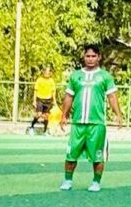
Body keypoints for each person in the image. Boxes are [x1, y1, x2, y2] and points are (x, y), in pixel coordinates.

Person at [60, 44, 122, 192]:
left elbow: (112, 96)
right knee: (71, 154)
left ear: (99, 57)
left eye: (93, 56)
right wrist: (64, 115)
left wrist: (118, 114)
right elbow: (69, 96)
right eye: (88, 56)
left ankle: (96, 182)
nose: (90, 59)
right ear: (84, 57)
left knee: (98, 156)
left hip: (97, 123)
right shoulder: (76, 76)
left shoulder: (105, 76)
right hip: (78, 123)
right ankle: (68, 180)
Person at [28, 66, 56, 135]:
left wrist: (54, 101)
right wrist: (34, 101)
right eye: (46, 72)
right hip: (40, 99)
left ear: (50, 73)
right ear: (43, 72)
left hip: (48, 100)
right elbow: (35, 91)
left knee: (46, 116)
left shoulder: (51, 81)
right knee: (38, 114)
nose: (47, 73)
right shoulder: (39, 80)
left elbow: (53, 92)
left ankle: (45, 131)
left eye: (48, 72)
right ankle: (31, 127)